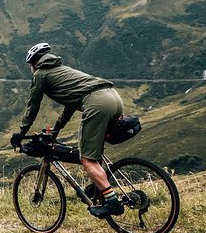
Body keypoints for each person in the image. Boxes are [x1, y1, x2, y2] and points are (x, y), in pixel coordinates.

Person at [9, 42, 126, 217]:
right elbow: (70, 106)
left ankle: (112, 202)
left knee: (87, 159)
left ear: (34, 63)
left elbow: (33, 106)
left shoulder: (41, 74)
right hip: (113, 97)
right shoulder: (63, 70)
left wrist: (21, 133)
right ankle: (98, 188)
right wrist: (56, 129)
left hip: (97, 103)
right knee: (95, 151)